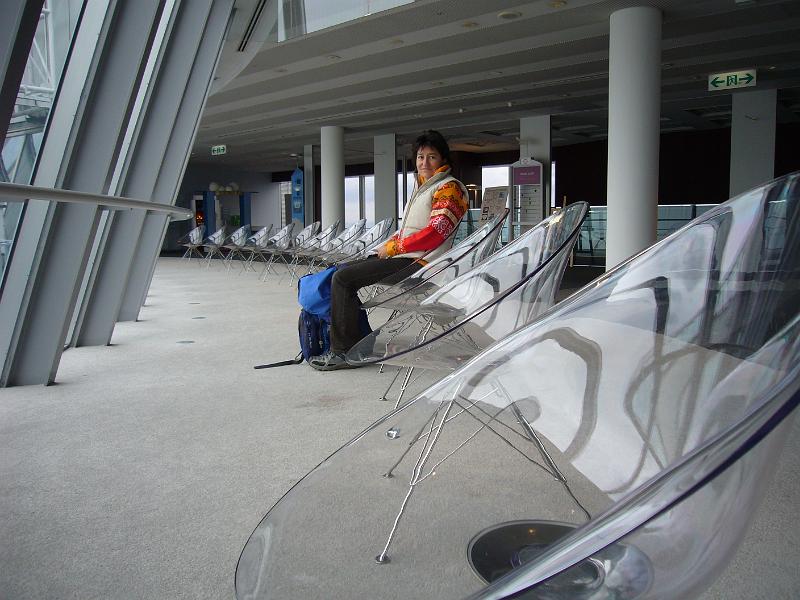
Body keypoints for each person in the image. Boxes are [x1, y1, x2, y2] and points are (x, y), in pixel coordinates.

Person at [309, 130, 469, 371]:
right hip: (408, 258)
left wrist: (395, 247)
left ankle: (342, 352)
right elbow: (408, 230)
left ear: (443, 160)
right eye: (420, 157)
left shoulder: (449, 188)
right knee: (341, 272)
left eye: (431, 157)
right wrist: (384, 247)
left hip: (424, 265)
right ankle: (357, 344)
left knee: (343, 279)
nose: (424, 163)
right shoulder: (424, 188)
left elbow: (436, 232)